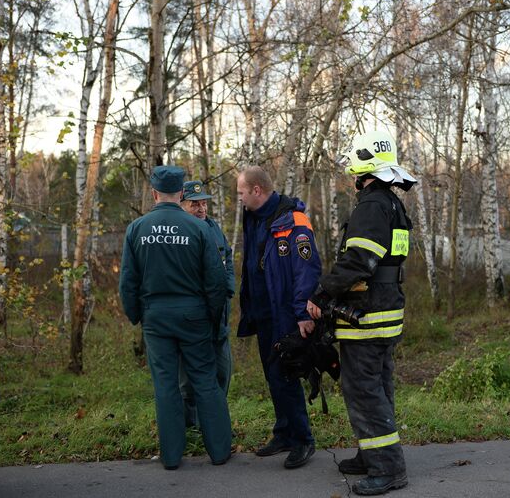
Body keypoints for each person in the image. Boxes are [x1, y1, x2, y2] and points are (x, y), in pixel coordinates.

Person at [306, 130, 416, 495]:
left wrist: (321, 292)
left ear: (364, 164)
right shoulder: (392, 202)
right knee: (378, 387)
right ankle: (371, 455)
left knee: (363, 390)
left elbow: (359, 261)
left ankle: (387, 467)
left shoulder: (371, 205)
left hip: (367, 316)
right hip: (385, 311)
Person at [119, 166, 231, 470]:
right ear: (181, 193)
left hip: (156, 318)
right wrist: (211, 315)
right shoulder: (199, 228)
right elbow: (217, 280)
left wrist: (136, 316)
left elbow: (128, 282)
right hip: (194, 315)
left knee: (166, 385)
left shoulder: (137, 228)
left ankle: (171, 457)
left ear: (155, 194)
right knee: (206, 381)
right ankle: (220, 452)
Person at [236, 165, 321, 469]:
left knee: (286, 376)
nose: (240, 198)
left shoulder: (293, 220)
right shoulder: (252, 217)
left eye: (242, 192)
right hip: (262, 313)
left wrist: (302, 313)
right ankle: (284, 432)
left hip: (286, 314)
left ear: (256, 190)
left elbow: (306, 270)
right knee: (273, 377)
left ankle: (303, 440)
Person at [178, 180, 234, 428]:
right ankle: (189, 426)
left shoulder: (213, 227)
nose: (201, 209)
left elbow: (228, 259)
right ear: (182, 205)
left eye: (203, 204)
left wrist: (229, 288)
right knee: (188, 378)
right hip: (193, 313)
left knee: (222, 370)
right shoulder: (179, 230)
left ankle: (212, 423)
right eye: (194, 204)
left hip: (219, 312)